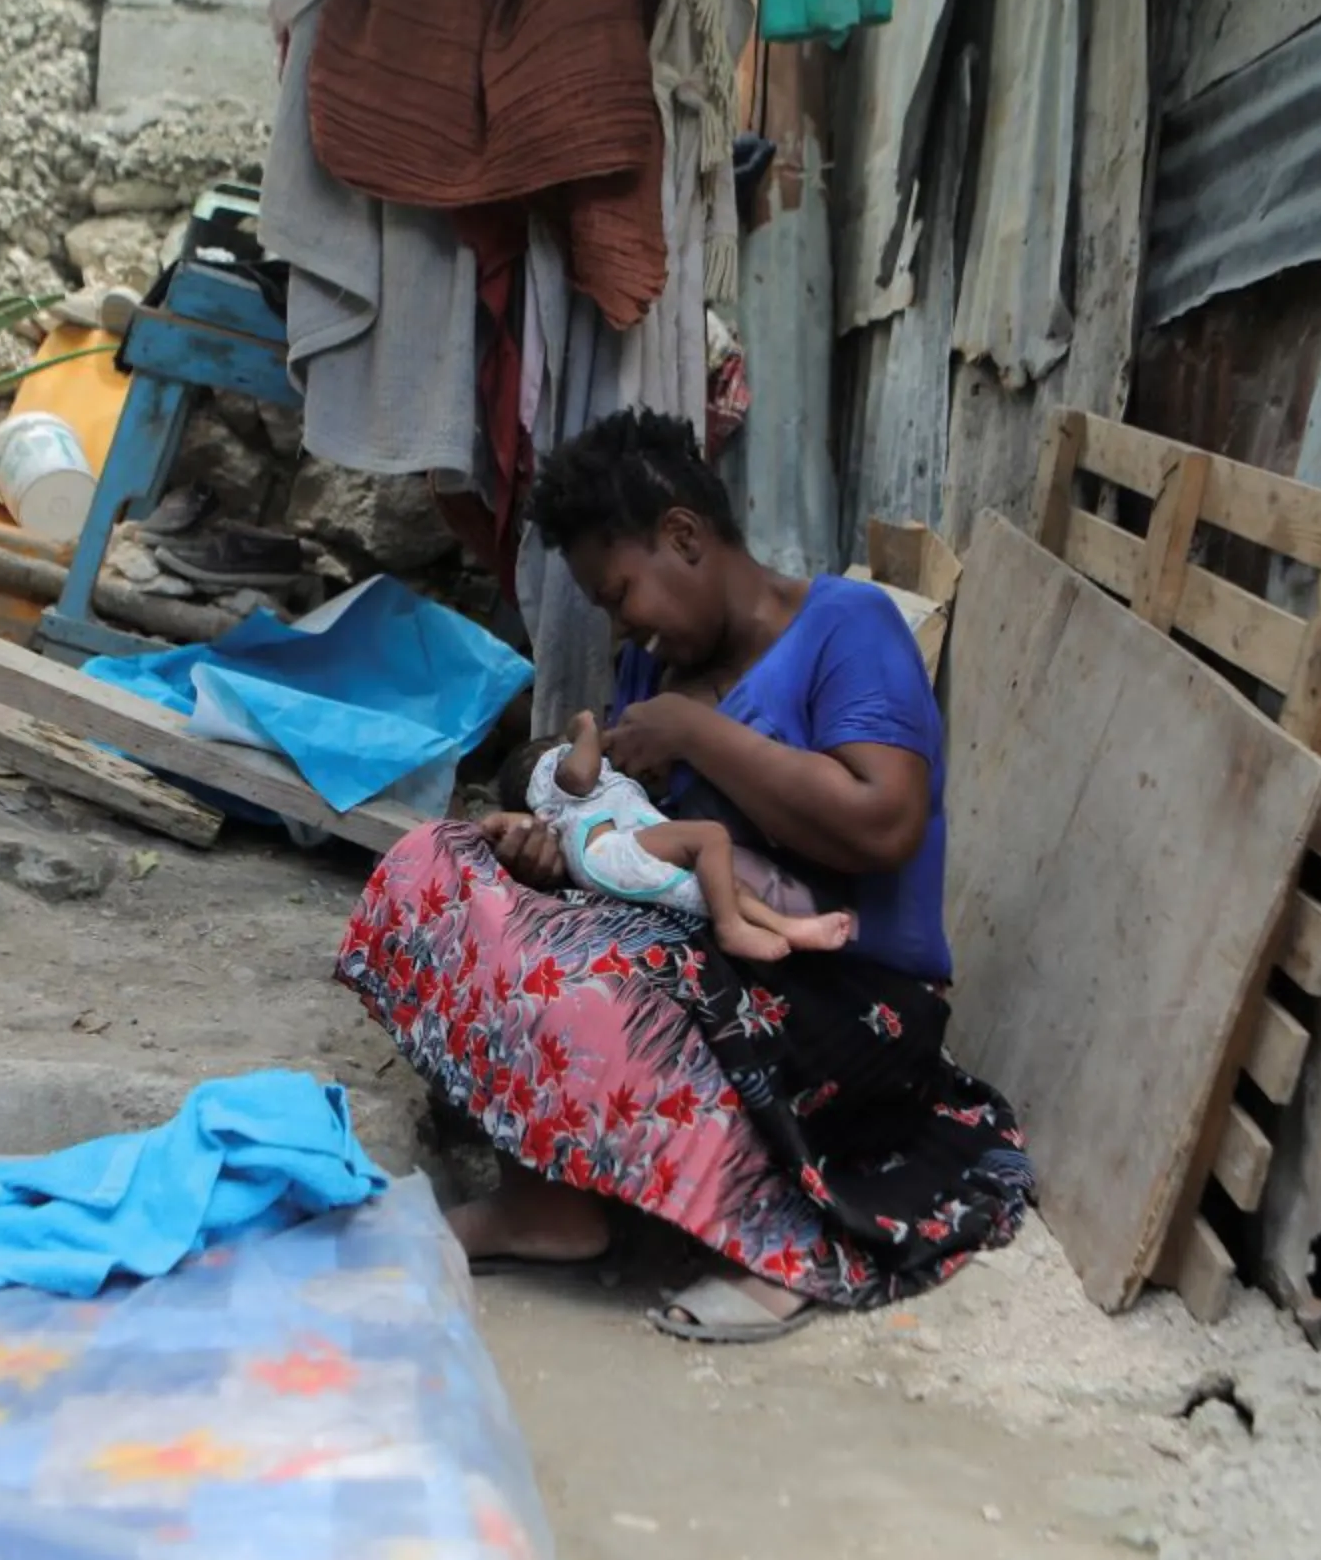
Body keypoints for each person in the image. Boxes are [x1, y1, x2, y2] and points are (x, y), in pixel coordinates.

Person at [334, 408, 1031, 1342]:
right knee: (435, 867)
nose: (626, 627)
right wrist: (553, 853)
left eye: (622, 594)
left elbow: (885, 821)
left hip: (842, 989)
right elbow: (634, 854)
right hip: (701, 965)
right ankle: (550, 1207)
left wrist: (697, 734)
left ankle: (775, 1236)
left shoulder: (846, 627)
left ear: (684, 536)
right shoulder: (645, 675)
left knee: (592, 983)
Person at [501, 710, 857, 962]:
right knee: (710, 838)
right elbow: (580, 774)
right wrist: (585, 726)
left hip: (621, 850)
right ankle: (731, 928)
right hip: (608, 851)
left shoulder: (592, 794)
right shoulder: (554, 773)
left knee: (723, 885)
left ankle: (789, 927)